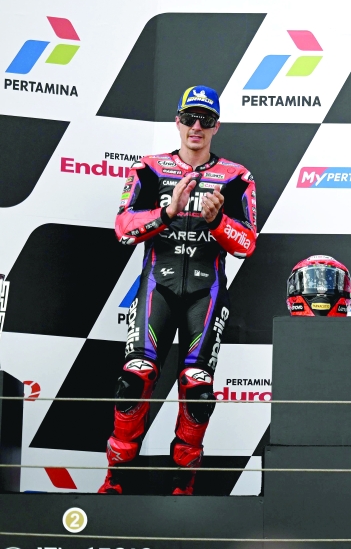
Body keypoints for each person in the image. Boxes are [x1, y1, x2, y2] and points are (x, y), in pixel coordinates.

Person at [100, 85, 257, 494]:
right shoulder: (149, 168)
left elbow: (247, 245)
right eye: (189, 118)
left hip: (206, 293)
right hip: (157, 287)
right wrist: (168, 212)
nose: (196, 127)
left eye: (205, 120)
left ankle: (183, 480)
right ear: (177, 121)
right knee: (135, 377)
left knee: (198, 387)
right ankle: (116, 476)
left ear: (217, 126)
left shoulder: (237, 176)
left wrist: (217, 222)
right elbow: (122, 230)